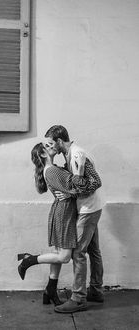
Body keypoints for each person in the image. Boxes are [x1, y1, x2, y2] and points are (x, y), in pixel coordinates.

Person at [17, 142, 102, 307]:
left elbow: (70, 188)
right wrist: (80, 168)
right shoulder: (53, 171)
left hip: (64, 211)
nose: (51, 146)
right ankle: (29, 259)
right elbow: (77, 185)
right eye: (47, 147)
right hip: (64, 214)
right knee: (64, 257)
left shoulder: (54, 168)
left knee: (58, 253)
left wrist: (69, 192)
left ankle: (50, 290)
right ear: (42, 154)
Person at [45, 125, 104, 313]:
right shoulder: (70, 155)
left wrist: (74, 188)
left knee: (78, 253)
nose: (50, 147)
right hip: (91, 207)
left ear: (60, 141)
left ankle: (78, 298)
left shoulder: (77, 154)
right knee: (93, 251)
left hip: (88, 209)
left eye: (52, 144)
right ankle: (96, 291)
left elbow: (95, 182)